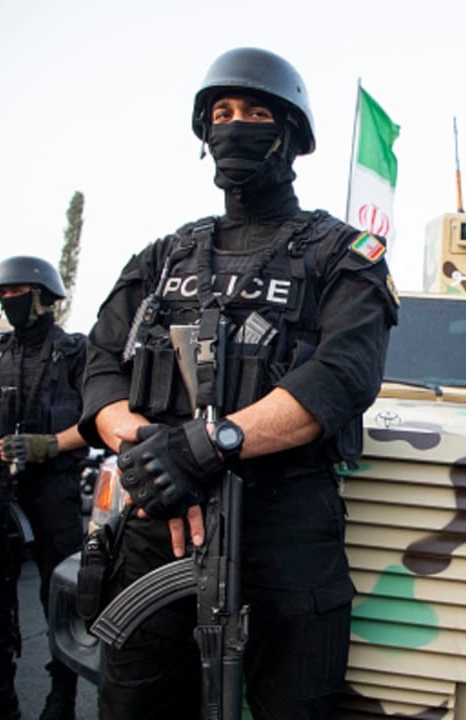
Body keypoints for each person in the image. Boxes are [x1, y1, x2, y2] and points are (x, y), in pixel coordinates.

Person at [80, 47, 398, 720]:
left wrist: (204, 447)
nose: (235, 126)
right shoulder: (166, 255)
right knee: (135, 704)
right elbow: (102, 363)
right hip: (160, 521)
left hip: (285, 525)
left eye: (255, 113)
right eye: (221, 113)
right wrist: (149, 452)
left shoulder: (345, 255)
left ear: (291, 135)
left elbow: (342, 374)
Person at [0, 257, 88, 720]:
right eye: (3, 294)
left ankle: (61, 697)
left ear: (44, 296)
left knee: (61, 593)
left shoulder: (75, 353)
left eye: (18, 292)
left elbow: (99, 420)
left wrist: (50, 444)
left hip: (51, 486)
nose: (10, 300)